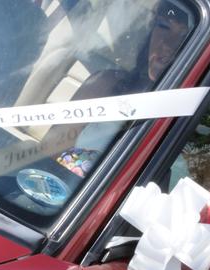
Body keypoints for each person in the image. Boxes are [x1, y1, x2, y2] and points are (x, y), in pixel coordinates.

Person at [46, 0, 193, 185]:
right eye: (163, 26)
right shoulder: (104, 84)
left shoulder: (185, 123)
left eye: (184, 36)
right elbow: (48, 154)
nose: (167, 44)